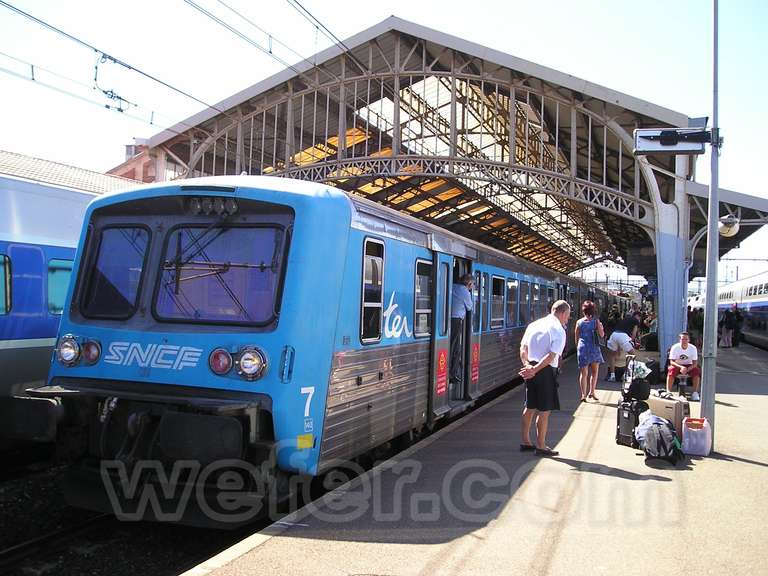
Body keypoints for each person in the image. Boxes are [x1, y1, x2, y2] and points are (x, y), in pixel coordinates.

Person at [518, 300, 571, 457]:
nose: (567, 320)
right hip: (545, 371)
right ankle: (541, 445)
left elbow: (523, 348)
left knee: (530, 406)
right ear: (562, 313)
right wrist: (534, 369)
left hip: (531, 368)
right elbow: (551, 356)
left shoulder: (533, 325)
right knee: (544, 410)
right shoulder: (558, 330)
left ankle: (526, 441)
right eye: (567, 316)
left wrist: (528, 365)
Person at [575, 300, 605, 402]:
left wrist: (578, 347)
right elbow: (602, 335)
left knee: (584, 373)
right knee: (594, 372)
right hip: (594, 348)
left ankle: (583, 394)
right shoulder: (596, 321)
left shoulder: (579, 322)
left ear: (583, 310)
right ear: (593, 310)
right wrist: (600, 326)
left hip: (582, 348)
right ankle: (592, 392)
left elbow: (576, 336)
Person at [450, 274, 474, 388]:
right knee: (455, 348)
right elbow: (469, 307)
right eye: (472, 285)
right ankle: (452, 374)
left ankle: (451, 372)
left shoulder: (452, 286)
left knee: (452, 346)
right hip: (456, 321)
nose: (472, 287)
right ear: (469, 284)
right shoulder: (465, 291)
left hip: (446, 319)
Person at [605, 308, 639, 381]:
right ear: (638, 316)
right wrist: (632, 342)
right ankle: (625, 375)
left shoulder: (625, 318)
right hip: (623, 336)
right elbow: (634, 333)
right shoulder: (636, 321)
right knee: (632, 355)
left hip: (614, 334)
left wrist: (619, 348)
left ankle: (612, 376)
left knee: (612, 356)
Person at [666, 331, 701, 401]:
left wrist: (687, 369)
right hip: (677, 365)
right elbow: (671, 361)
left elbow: (695, 363)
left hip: (689, 365)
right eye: (682, 339)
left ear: (689, 340)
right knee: (671, 370)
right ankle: (668, 391)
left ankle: (695, 392)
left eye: (686, 339)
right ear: (680, 340)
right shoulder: (675, 347)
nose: (684, 341)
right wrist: (681, 367)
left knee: (697, 371)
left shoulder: (693, 348)